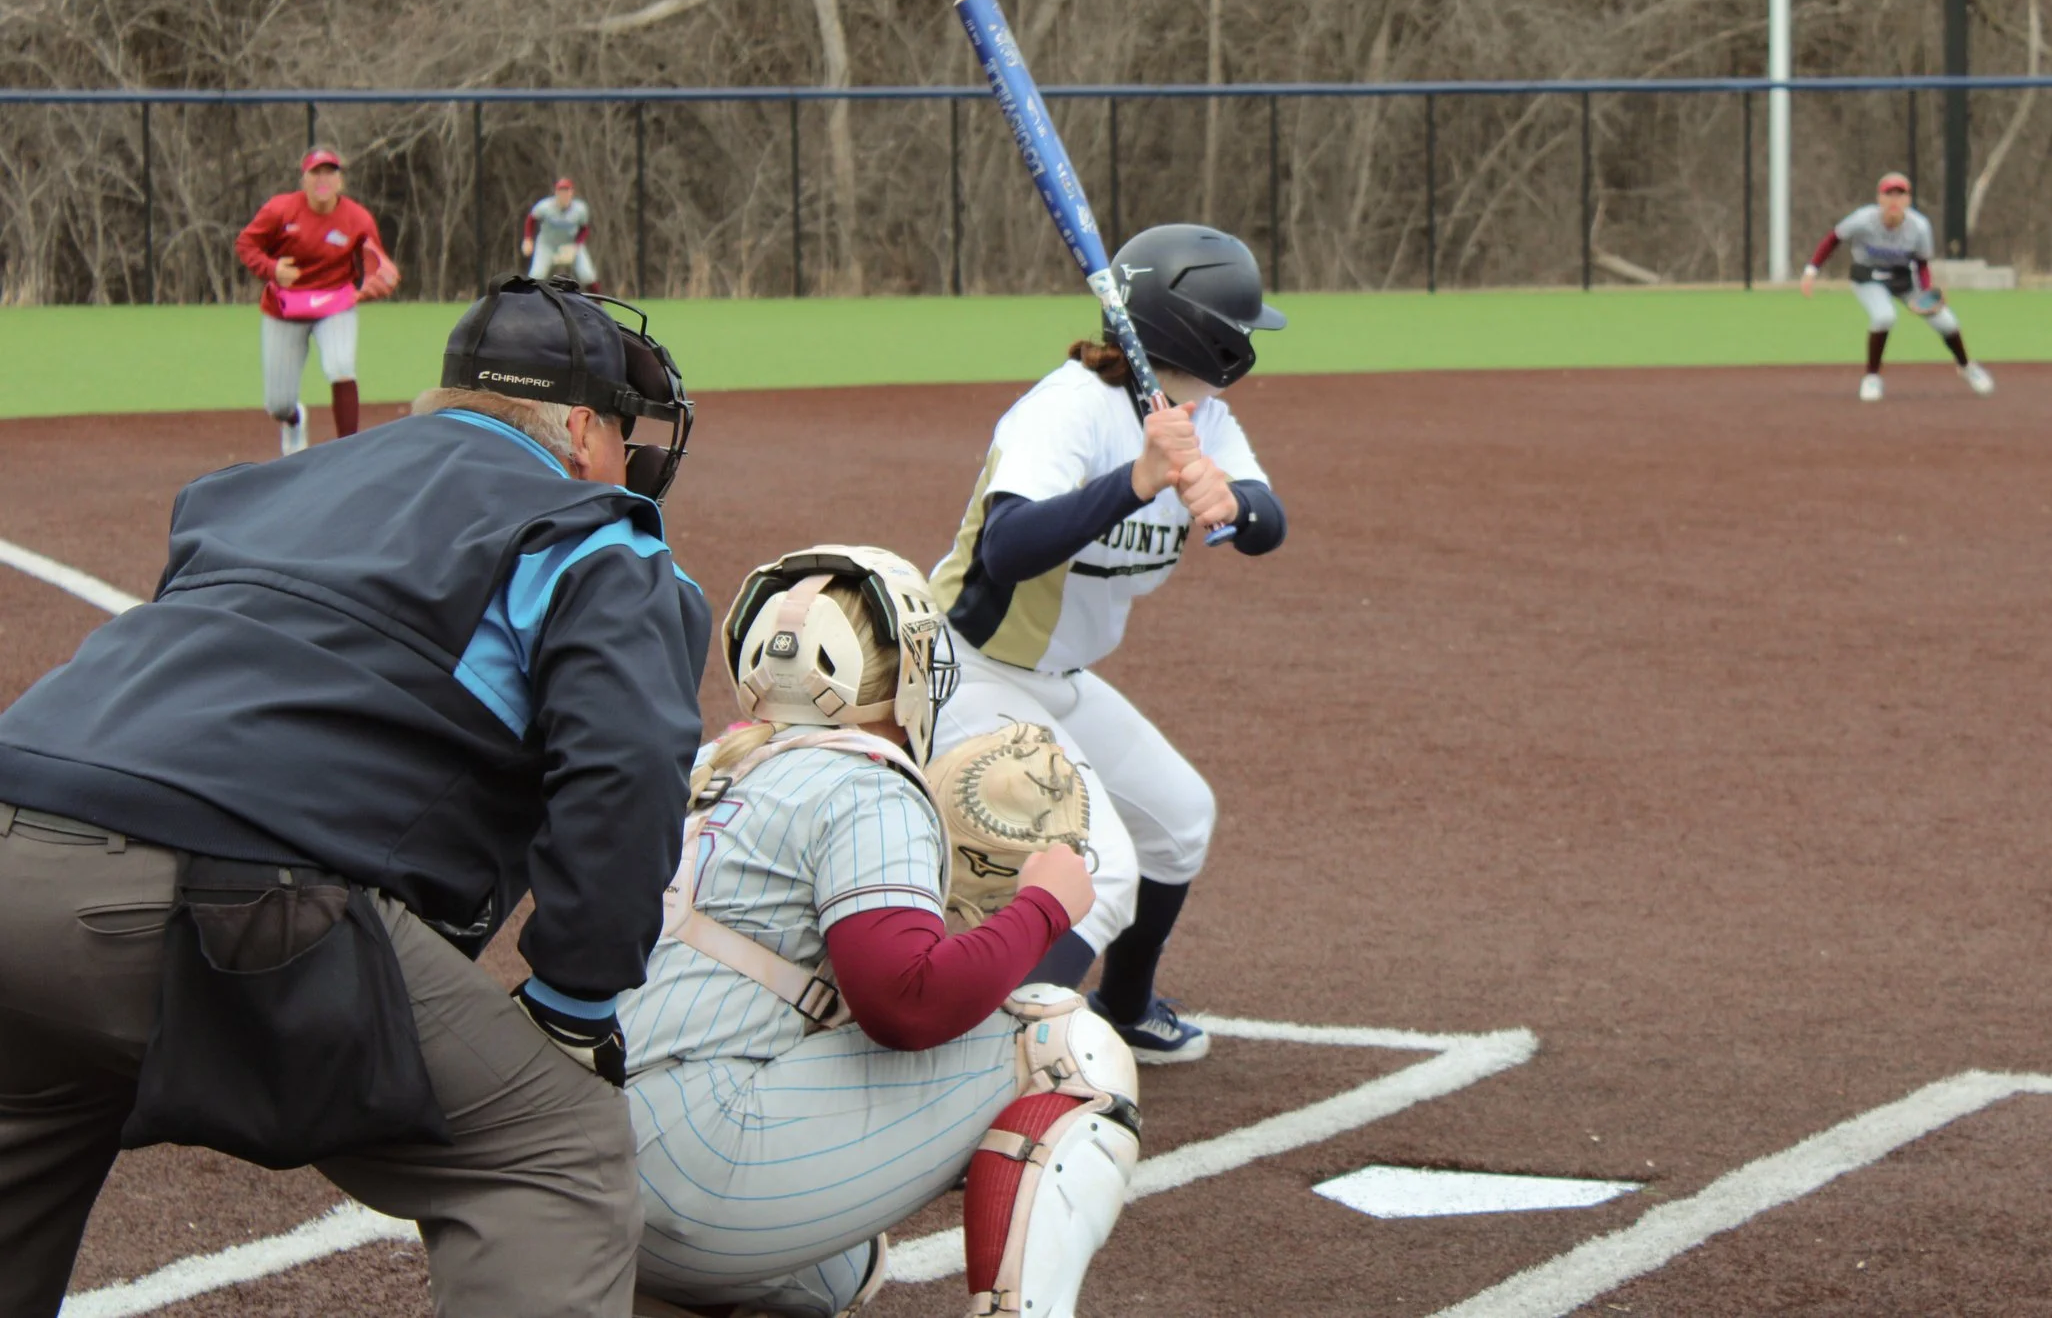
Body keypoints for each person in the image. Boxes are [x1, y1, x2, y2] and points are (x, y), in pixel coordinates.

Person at [0, 277, 707, 1318]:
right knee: (554, 1152)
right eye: (619, 432)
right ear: (581, 429)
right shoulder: (591, 530)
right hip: (215, 888)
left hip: (17, 841)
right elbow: (628, 765)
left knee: (37, 1107)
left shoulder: (265, 483)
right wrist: (572, 1005)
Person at [623, 546, 1138, 1318]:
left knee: (835, 1264)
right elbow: (906, 1002)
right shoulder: (863, 775)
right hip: (700, 1164)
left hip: (589, 1173)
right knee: (1065, 1040)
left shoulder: (705, 767)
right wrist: (1039, 908)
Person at [928, 224, 1288, 1066]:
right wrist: (1137, 481)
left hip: (1053, 676)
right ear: (1203, 332)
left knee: (1180, 818)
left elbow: (1270, 523)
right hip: (967, 672)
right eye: (1237, 325)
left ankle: (1125, 1005)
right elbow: (1007, 548)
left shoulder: (1199, 416)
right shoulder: (1068, 408)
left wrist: (1229, 499)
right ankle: (989, 1061)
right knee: (1105, 864)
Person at [234, 147, 401, 456]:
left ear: (340, 181)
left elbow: (377, 263)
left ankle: (349, 450)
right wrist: (271, 269)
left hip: (334, 304)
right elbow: (246, 244)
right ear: (304, 179)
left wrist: (373, 283)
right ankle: (294, 419)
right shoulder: (280, 211)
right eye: (316, 173)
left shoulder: (356, 218)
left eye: (330, 172)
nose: (323, 179)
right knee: (278, 404)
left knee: (341, 368)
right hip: (283, 309)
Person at [1801, 172, 1994, 402]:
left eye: (1900, 194)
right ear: (1879, 199)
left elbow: (1921, 263)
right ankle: (1872, 377)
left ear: (1908, 200)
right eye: (1888, 194)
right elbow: (1833, 239)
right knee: (1884, 317)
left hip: (1904, 280)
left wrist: (1925, 291)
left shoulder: (1919, 226)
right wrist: (1811, 270)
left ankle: (1966, 367)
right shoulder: (1862, 219)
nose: (1894, 200)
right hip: (1868, 278)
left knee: (1948, 322)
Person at [525, 175, 600, 291]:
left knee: (588, 275)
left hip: (570, 244)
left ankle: (598, 306)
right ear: (556, 192)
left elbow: (584, 229)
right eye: (561, 191)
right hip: (547, 244)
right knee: (536, 275)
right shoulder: (545, 206)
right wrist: (528, 238)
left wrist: (576, 245)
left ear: (572, 193)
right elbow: (531, 219)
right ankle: (529, 304)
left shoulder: (579, 208)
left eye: (567, 191)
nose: (564, 195)